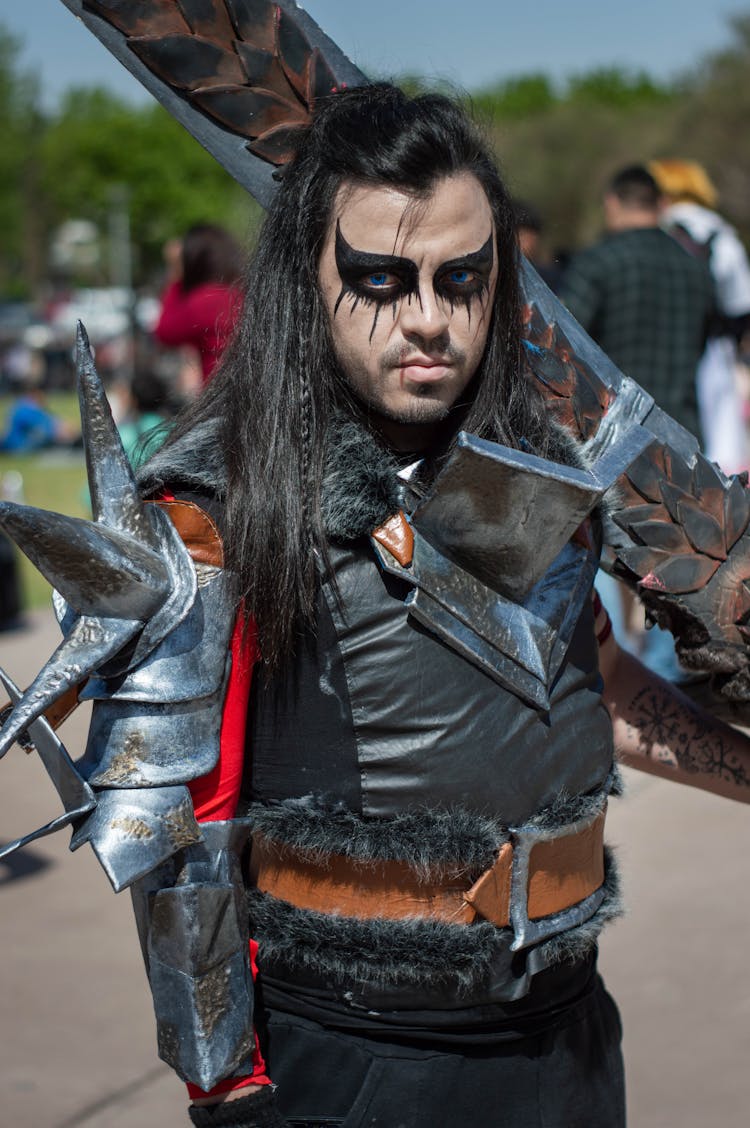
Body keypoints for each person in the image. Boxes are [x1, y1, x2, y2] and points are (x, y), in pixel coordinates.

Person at [4, 74, 750, 1128]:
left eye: (462, 280)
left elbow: (588, 682)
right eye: (382, 278)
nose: (429, 320)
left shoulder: (533, 465)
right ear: (311, 274)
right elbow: (182, 822)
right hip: (354, 1058)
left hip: (568, 1030)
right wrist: (228, 1085)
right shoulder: (221, 505)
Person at [561, 165, 714, 441]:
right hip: (682, 433)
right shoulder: (696, 268)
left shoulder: (597, 262)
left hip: (615, 433)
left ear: (611, 202)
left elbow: (565, 342)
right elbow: (703, 344)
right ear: (661, 205)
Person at [649, 158, 750, 474]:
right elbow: (741, 306)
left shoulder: (657, 229)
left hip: (662, 345)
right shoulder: (722, 233)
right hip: (715, 348)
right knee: (721, 438)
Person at [154, 223, 244, 386]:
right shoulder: (241, 292)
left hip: (223, 397)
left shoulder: (204, 301)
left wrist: (176, 275)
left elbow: (165, 332)